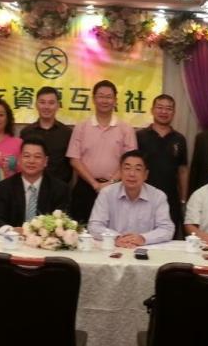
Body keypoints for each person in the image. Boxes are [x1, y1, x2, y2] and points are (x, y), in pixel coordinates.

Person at [66, 80, 137, 222]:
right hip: (85, 187)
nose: (105, 100)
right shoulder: (81, 127)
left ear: (115, 100)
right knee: (81, 228)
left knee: (113, 229)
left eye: (109, 97)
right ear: (93, 99)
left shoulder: (126, 128)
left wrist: (110, 183)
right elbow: (74, 159)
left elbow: (130, 161)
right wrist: (94, 184)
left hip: (116, 188)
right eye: (101, 96)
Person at [88, 150, 174, 247]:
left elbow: (167, 229)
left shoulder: (158, 196)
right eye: (127, 168)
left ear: (146, 175)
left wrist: (143, 238)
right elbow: (94, 226)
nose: (132, 174)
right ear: (120, 172)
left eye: (138, 169)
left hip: (145, 249)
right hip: (115, 248)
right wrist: (116, 238)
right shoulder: (107, 193)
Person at [0, 138, 71, 234]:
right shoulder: (4, 187)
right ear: (19, 159)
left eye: (37, 157)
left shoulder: (60, 189)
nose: (31, 161)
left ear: (45, 161)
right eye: (26, 156)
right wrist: (11, 231)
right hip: (12, 239)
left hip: (45, 241)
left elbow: (63, 222)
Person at [136, 94, 188, 235]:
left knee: (168, 237)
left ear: (174, 113)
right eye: (160, 107)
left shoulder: (179, 139)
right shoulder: (140, 136)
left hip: (171, 198)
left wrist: (183, 199)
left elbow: (182, 170)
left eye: (168, 108)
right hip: (143, 197)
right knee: (143, 237)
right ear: (152, 110)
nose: (164, 111)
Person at [19, 86, 73, 183]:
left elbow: (72, 163)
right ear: (36, 105)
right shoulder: (26, 132)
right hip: (32, 185)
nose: (46, 107)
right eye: (42, 102)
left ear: (58, 105)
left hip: (59, 188)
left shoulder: (67, 133)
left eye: (51, 103)